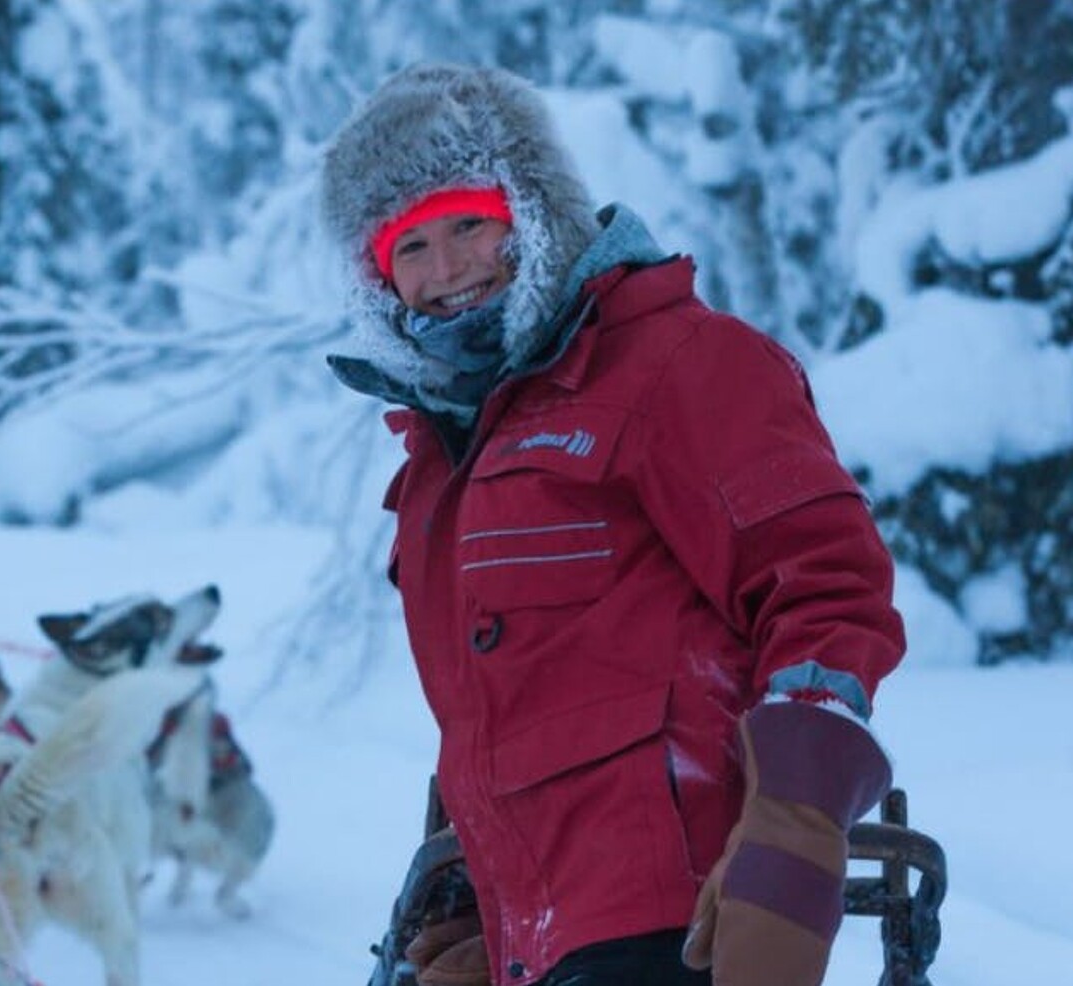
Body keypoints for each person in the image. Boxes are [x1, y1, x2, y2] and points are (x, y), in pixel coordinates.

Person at [321, 64, 904, 986]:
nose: (447, 271)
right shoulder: (444, 459)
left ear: (533, 212)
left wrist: (792, 831)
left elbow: (826, 586)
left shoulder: (679, 362)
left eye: (469, 224)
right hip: (544, 941)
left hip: (685, 922)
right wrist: (478, 892)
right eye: (412, 247)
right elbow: (502, 709)